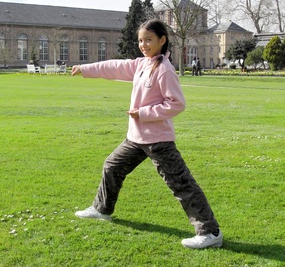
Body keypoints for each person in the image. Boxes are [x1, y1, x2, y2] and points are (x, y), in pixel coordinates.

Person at [71, 19, 222, 249]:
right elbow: (115, 67)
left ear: (162, 40)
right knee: (112, 166)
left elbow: (177, 104)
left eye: (148, 40)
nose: (143, 44)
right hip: (135, 139)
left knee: (181, 184)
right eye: (141, 40)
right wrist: (85, 69)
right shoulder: (142, 64)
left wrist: (143, 113)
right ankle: (102, 209)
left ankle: (210, 233)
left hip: (158, 140)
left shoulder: (165, 70)